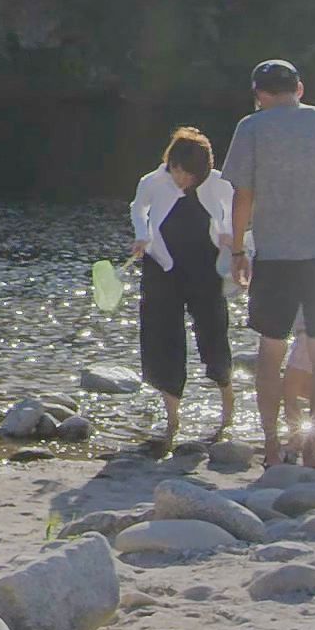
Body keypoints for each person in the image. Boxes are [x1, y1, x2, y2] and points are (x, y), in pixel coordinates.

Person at [223, 59, 315, 467]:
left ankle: (271, 447)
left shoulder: (252, 127)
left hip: (277, 256)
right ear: (299, 88)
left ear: (258, 95)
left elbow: (243, 196)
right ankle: (313, 449)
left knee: (270, 353)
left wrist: (237, 251)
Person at [124, 127, 238, 453]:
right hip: (161, 266)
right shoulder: (152, 181)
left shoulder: (218, 182)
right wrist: (141, 235)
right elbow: (138, 208)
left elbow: (235, 210)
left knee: (213, 332)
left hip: (205, 265)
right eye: (179, 171)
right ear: (171, 163)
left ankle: (227, 407)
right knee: (163, 338)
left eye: (191, 175)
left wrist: (229, 233)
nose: (184, 179)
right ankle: (172, 420)